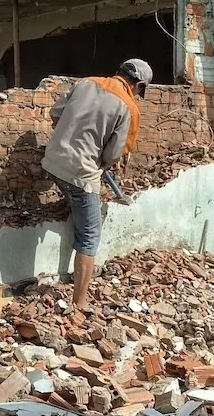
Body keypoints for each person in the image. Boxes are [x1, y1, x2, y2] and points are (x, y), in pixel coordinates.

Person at [42, 59, 153, 310]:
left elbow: (55, 115)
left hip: (52, 162)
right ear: (138, 85)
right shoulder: (129, 108)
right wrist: (95, 163)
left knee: (77, 200)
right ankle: (79, 304)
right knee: (89, 237)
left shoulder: (85, 83)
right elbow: (115, 154)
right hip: (81, 174)